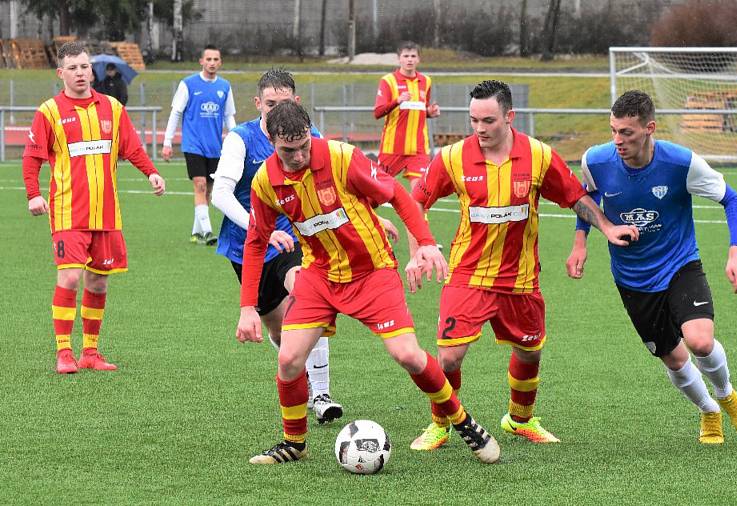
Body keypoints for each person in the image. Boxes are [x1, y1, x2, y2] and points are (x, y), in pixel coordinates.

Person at [235, 101, 500, 465]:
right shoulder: (266, 181)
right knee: (289, 359)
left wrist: (424, 242)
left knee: (406, 354)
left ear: (311, 134)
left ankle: (461, 419)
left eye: (303, 147)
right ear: (270, 140)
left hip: (372, 271)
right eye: (287, 150)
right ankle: (294, 444)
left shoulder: (342, 158)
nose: (298, 156)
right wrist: (247, 307)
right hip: (320, 276)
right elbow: (255, 241)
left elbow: (398, 195)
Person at [406, 80, 638, 450]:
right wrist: (420, 246)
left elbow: (574, 196)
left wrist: (607, 227)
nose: (479, 129)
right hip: (468, 275)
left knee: (530, 351)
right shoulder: (452, 158)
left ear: (509, 117)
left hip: (521, 279)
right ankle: (441, 423)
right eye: (473, 121)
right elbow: (415, 201)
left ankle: (520, 419)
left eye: (488, 121)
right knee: (448, 357)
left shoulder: (539, 156)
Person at [565, 90, 737, 444]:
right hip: (632, 277)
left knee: (700, 341)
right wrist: (581, 242)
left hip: (679, 263)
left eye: (627, 133)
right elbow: (587, 196)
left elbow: (732, 198)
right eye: (613, 131)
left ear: (650, 128)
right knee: (672, 357)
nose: (618, 141)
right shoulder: (595, 160)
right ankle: (708, 411)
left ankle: (726, 394)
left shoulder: (681, 163)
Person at [212, 69, 365, 424]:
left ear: (296, 102)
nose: (277, 111)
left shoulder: (309, 136)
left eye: (284, 103)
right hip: (247, 244)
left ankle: (322, 394)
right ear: (257, 104)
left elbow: (336, 182)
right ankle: (302, 378)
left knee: (306, 295)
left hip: (297, 237)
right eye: (270, 104)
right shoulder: (241, 139)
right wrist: (259, 229)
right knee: (277, 328)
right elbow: (220, 193)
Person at [22, 41, 166, 374]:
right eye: (72, 68)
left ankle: (90, 352)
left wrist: (152, 173)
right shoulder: (49, 111)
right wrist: (33, 193)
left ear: (92, 70)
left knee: (98, 283)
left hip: (107, 214)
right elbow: (32, 158)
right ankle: (64, 352)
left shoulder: (112, 108)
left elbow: (132, 148)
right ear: (61, 74)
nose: (80, 73)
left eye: (84, 67)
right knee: (70, 277)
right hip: (67, 212)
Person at [162, 44, 236, 246]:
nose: (212, 63)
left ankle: (196, 232)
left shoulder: (224, 87)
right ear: (201, 61)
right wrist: (167, 142)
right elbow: (176, 113)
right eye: (208, 59)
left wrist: (238, 139)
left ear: (220, 63)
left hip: (215, 148)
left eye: (215, 59)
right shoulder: (188, 84)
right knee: (200, 186)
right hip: (193, 145)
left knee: (209, 192)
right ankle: (208, 232)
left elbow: (229, 117)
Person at [373, 41, 440, 186]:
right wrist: (397, 100)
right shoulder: (388, 81)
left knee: (419, 194)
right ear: (399, 58)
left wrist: (430, 112)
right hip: (392, 149)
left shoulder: (426, 81)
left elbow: (422, 109)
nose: (409, 59)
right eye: (406, 56)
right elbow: (377, 112)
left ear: (418, 59)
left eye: (413, 56)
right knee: (376, 194)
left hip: (418, 149)